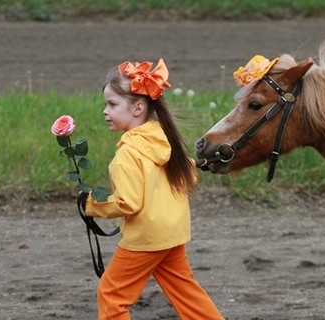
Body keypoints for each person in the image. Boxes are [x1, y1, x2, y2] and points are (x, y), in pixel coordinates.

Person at [80, 58, 224, 320]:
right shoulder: (165, 140)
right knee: (186, 293)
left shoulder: (127, 155)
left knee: (111, 295)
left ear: (138, 108)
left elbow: (128, 203)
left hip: (145, 239)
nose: (105, 110)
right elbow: (189, 178)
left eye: (112, 104)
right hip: (173, 234)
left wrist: (91, 205)